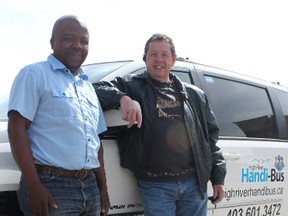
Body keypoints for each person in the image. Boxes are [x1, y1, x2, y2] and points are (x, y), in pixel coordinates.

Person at [94, 33, 227, 216]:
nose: (159, 60)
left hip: (194, 184)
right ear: (145, 58)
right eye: (153, 54)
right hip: (156, 186)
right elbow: (93, 89)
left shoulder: (194, 95)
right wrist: (122, 98)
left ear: (173, 59)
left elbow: (210, 138)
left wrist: (217, 177)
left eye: (164, 54)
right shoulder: (131, 85)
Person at [7, 15, 110, 216]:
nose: (77, 45)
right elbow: (16, 128)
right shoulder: (34, 74)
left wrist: (103, 188)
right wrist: (33, 184)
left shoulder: (87, 86)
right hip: (52, 185)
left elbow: (96, 142)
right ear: (53, 42)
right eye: (68, 39)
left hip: (89, 186)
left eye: (84, 41)